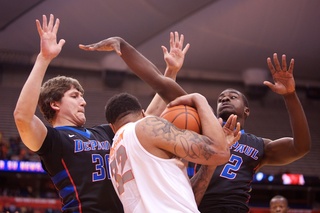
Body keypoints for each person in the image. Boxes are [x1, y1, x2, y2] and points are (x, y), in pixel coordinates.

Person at [13, 14, 189, 213]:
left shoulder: (106, 133)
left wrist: (171, 73)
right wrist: (44, 58)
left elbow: (146, 118)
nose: (84, 101)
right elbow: (22, 117)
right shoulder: (54, 140)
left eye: (82, 96)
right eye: (75, 96)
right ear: (54, 103)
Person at [79, 36, 241, 212]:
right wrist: (199, 98)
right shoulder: (146, 127)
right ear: (143, 114)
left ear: (112, 126)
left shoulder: (115, 154)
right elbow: (220, 152)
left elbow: (189, 199)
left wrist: (210, 163)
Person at [196, 53, 311, 213]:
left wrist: (290, 96)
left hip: (234, 208)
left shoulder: (259, 145)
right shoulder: (200, 132)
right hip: (197, 206)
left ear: (247, 110)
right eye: (220, 99)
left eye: (232, 97)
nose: (225, 99)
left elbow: (301, 147)